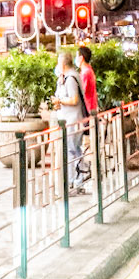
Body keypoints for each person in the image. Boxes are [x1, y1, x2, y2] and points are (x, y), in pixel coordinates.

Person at [53, 50, 88, 190]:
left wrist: (60, 101)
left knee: (72, 150)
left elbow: (74, 99)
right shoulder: (65, 78)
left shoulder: (71, 78)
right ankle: (77, 180)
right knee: (73, 150)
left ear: (62, 63)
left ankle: (75, 180)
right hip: (68, 120)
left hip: (72, 120)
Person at [78, 45, 99, 116]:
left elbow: (82, 91)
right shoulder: (88, 70)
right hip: (90, 106)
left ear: (81, 58)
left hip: (87, 108)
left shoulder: (86, 73)